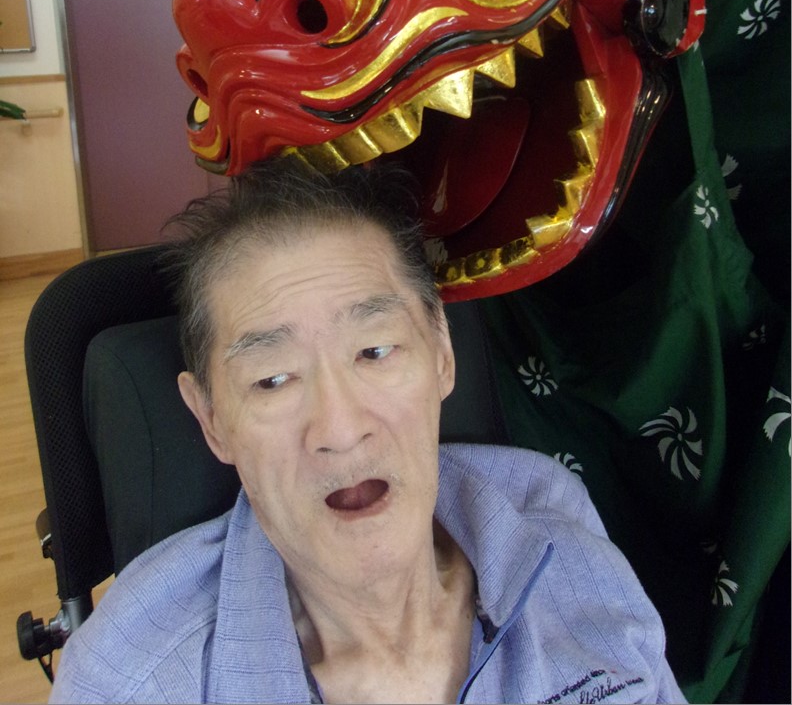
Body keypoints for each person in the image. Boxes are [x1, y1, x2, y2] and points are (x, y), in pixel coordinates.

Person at [50, 156, 684, 704]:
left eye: (375, 351)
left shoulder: (552, 522)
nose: (341, 429)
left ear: (442, 352)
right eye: (273, 379)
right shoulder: (129, 680)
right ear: (212, 419)